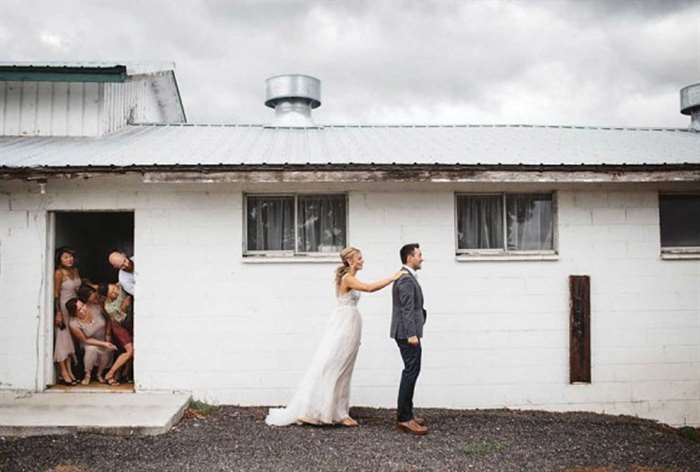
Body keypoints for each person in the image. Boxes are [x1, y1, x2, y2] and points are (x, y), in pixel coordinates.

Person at [266, 247, 405, 427]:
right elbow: (369, 288)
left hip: (350, 323)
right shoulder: (347, 278)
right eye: (359, 258)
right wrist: (392, 278)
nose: (362, 260)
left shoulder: (351, 277)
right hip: (344, 325)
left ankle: (337, 411)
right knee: (334, 366)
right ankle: (321, 410)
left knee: (344, 369)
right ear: (350, 260)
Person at [390, 243, 428, 436]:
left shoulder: (407, 276)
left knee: (412, 370)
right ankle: (404, 419)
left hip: (408, 332)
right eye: (419, 255)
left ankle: (407, 414)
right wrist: (412, 334)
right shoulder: (405, 279)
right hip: (407, 333)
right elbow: (406, 309)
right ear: (409, 258)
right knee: (411, 371)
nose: (422, 258)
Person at [66, 298, 117, 385]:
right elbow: (85, 339)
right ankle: (87, 374)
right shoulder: (73, 323)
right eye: (79, 309)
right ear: (74, 313)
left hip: (104, 338)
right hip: (88, 342)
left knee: (107, 350)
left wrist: (108, 335)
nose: (83, 309)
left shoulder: (95, 308)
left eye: (83, 305)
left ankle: (99, 374)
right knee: (91, 349)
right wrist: (104, 343)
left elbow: (109, 319)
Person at [53, 247, 79, 385]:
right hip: (63, 308)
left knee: (70, 340)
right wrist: (58, 313)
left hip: (74, 307)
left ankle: (69, 371)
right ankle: (63, 372)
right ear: (59, 259)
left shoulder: (75, 271)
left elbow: (79, 288)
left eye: (71, 257)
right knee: (63, 339)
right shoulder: (58, 273)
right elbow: (56, 294)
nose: (70, 259)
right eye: (66, 257)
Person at [98, 283, 133, 385]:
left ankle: (120, 374)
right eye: (112, 293)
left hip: (129, 324)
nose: (116, 292)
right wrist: (123, 308)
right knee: (129, 351)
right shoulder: (109, 307)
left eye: (114, 288)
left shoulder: (121, 287)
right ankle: (110, 373)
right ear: (107, 297)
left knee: (131, 352)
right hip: (119, 327)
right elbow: (121, 319)